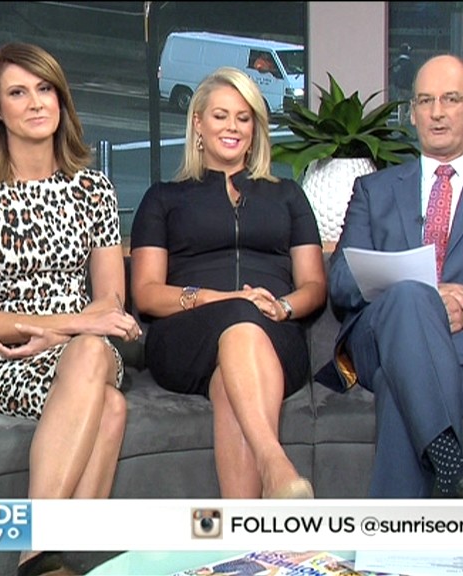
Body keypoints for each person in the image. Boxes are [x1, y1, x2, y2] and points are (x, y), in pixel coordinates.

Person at [0, 42, 139, 576]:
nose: (36, 102)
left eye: (45, 88)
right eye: (18, 92)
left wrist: (69, 334)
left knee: (92, 355)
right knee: (111, 406)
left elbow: (111, 300)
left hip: (82, 347)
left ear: (61, 100)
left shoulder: (94, 189)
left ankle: (36, 552)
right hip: (1, 353)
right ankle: (60, 561)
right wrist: (70, 325)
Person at [327, 54, 463, 498]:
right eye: (425, 100)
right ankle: (452, 469)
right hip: (379, 338)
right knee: (412, 297)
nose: (436, 112)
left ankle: (429, 498)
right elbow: (342, 281)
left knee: (400, 382)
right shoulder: (373, 190)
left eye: (450, 99)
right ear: (412, 113)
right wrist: (430, 297)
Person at [129, 67, 326, 500]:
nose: (232, 127)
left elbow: (314, 284)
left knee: (231, 380)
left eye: (243, 117)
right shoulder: (163, 198)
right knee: (240, 315)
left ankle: (241, 531)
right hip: (186, 338)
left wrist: (283, 307)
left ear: (255, 128)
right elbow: (146, 293)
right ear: (198, 123)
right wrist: (221, 299)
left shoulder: (288, 195)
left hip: (275, 337)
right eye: (220, 116)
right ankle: (274, 463)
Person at [390, 43, 415, 127]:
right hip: (408, 88)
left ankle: (401, 123)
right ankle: (406, 120)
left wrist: (395, 85)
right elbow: (413, 76)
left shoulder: (396, 62)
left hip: (398, 88)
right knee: (414, 103)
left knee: (401, 106)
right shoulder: (410, 64)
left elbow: (392, 75)